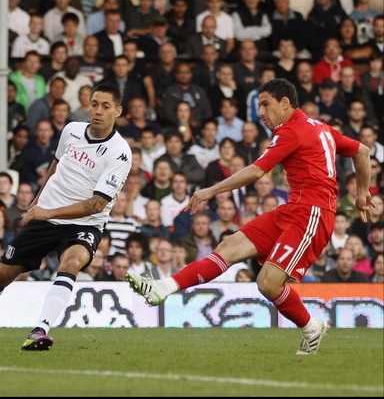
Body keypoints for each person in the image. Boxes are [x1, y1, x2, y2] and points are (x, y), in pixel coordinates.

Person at [126, 78, 375, 355]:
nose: (261, 112)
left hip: (312, 214)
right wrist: (362, 193)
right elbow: (362, 151)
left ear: (285, 103)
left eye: (266, 104)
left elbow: (257, 171)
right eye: (259, 106)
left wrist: (212, 190)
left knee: (267, 283)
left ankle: (311, 327)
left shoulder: (290, 131)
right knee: (228, 248)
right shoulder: (321, 127)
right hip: (293, 210)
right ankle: (163, 286)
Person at [0, 83, 131, 351]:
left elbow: (96, 204)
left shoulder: (119, 152)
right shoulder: (71, 130)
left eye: (106, 106)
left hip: (83, 224)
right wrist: (38, 201)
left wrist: (47, 211)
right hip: (45, 215)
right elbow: (56, 166)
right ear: (88, 105)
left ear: (117, 111)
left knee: (71, 262)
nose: (98, 111)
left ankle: (41, 330)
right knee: (2, 276)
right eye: (94, 104)